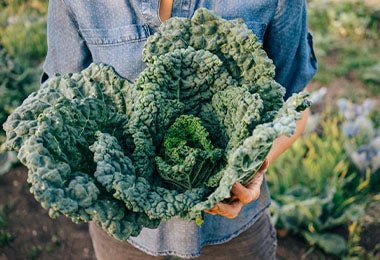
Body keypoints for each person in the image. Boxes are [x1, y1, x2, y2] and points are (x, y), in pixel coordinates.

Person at [42, 0, 317, 259]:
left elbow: (294, 105)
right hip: (127, 239)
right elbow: (60, 105)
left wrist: (252, 167)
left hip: (233, 237)